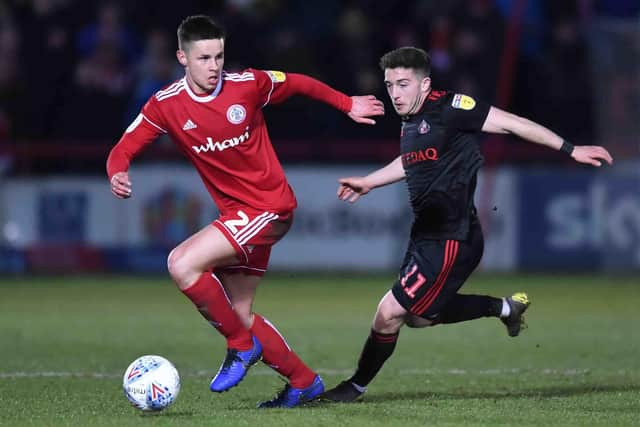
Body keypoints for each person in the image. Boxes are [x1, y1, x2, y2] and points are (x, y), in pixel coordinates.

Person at [106, 15, 384, 408]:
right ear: (182, 58)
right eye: (204, 58)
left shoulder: (246, 85)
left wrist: (347, 103)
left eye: (219, 55)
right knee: (239, 312)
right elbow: (125, 146)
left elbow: (298, 82)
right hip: (242, 216)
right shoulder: (166, 105)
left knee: (181, 264)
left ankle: (241, 347)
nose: (214, 65)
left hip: (270, 208)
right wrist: (117, 171)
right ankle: (303, 382)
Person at [319, 47, 613, 403]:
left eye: (402, 84)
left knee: (389, 312)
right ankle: (504, 308)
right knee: (420, 318)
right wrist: (370, 181)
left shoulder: (451, 108)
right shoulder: (412, 118)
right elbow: (411, 161)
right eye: (389, 85)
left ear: (424, 84)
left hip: (451, 239)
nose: (395, 93)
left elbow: (512, 123)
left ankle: (355, 387)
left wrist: (571, 149)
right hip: (427, 235)